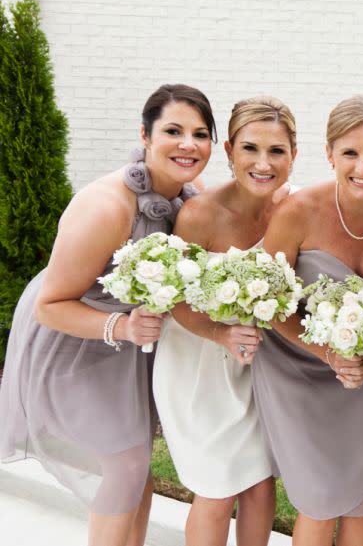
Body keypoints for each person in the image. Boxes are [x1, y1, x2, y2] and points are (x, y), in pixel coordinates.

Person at [0, 84, 214, 546]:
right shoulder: (105, 206)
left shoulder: (189, 199)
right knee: (126, 467)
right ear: (145, 134)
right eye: (173, 130)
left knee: (137, 473)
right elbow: (50, 304)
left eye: (200, 133)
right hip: (74, 339)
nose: (188, 144)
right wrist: (121, 326)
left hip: (131, 348)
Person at [153, 96, 297, 546]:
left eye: (277, 151)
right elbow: (173, 299)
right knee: (216, 490)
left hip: (257, 367)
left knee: (259, 482)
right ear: (231, 149)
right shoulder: (200, 214)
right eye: (250, 148)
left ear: (294, 153)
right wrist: (220, 332)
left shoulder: (289, 209)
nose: (263, 163)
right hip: (197, 366)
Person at [255, 96, 363, 546]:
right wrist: (329, 352)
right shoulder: (297, 212)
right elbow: (271, 303)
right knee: (318, 499)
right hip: (296, 368)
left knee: (360, 497)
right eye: (350, 152)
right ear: (330, 153)